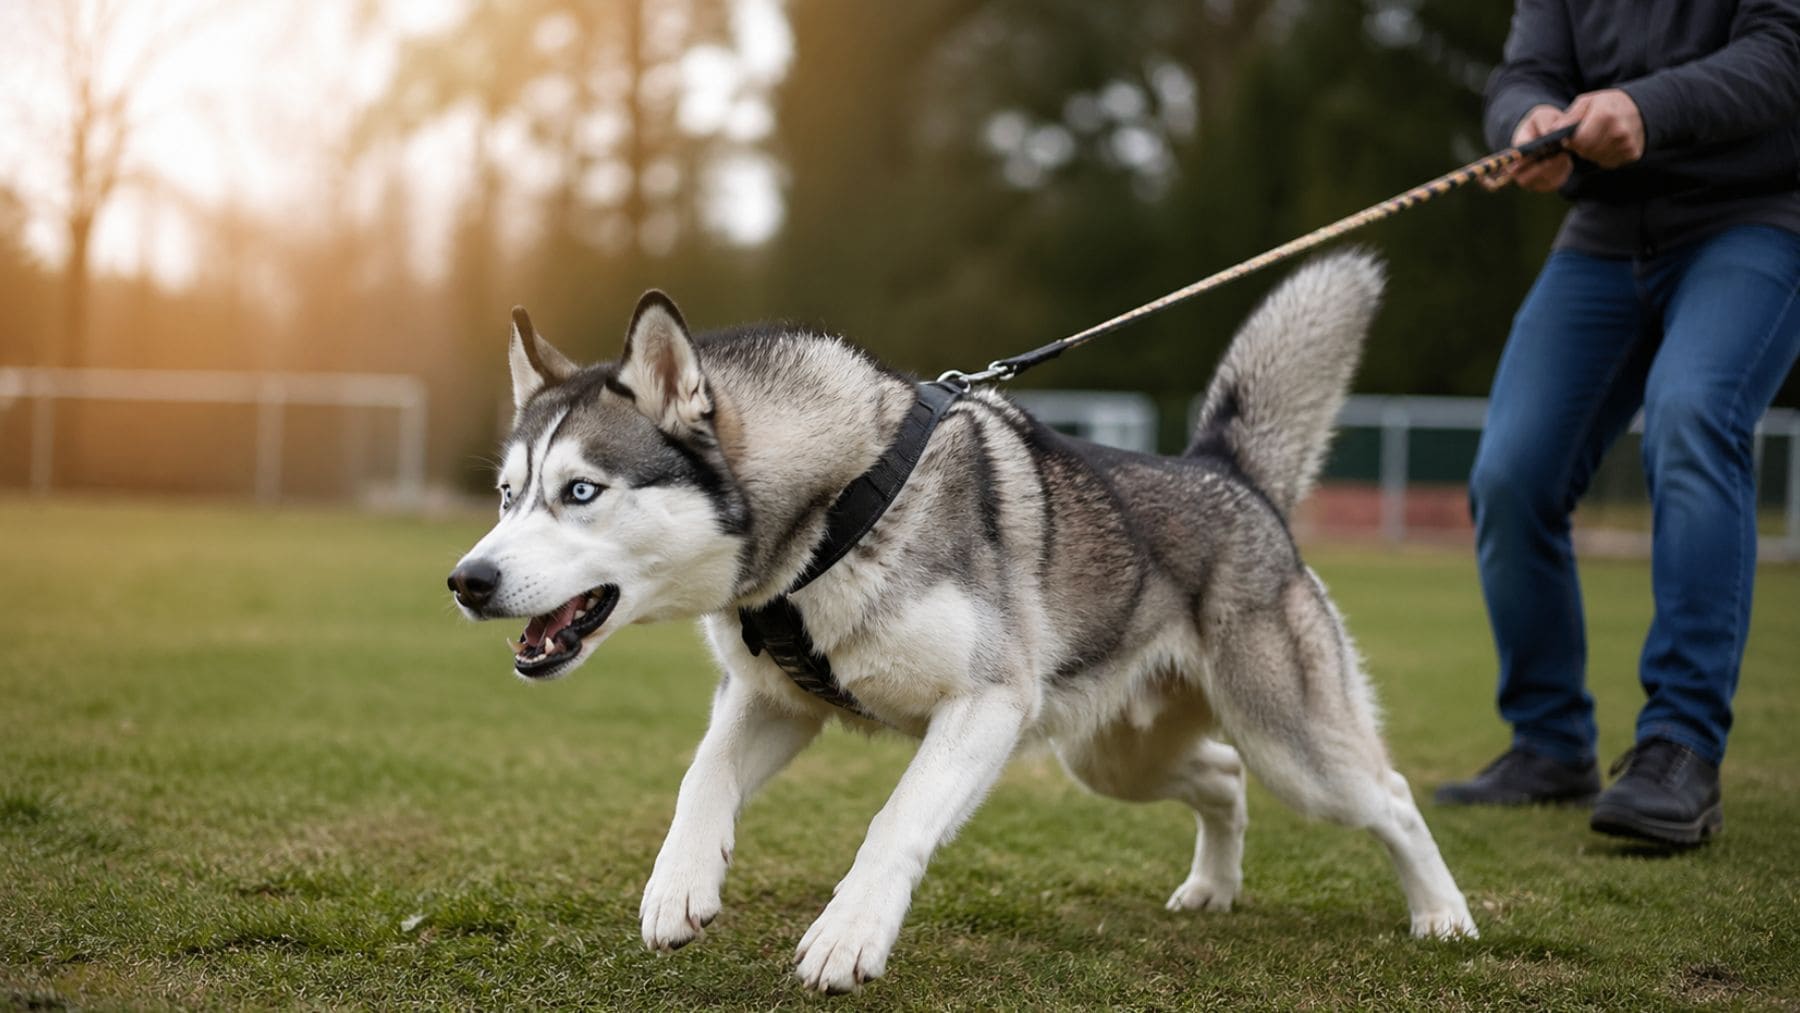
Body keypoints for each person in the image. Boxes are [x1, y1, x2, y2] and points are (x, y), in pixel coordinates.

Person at [1433, 0, 1800, 847]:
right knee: (1512, 475)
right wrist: (1521, 120)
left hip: (1757, 217)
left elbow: (1783, 51)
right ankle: (1551, 743)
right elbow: (1528, 71)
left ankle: (1680, 748)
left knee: (1693, 413)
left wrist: (1645, 107)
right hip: (1604, 232)